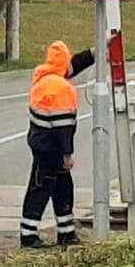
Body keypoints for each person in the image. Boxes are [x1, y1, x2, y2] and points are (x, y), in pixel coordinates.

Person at [22, 39, 95, 248]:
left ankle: (66, 231)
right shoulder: (60, 88)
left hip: (41, 143)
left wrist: (96, 52)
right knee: (42, 188)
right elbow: (63, 127)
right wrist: (67, 154)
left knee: (61, 187)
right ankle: (29, 235)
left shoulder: (44, 76)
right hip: (51, 148)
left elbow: (73, 65)